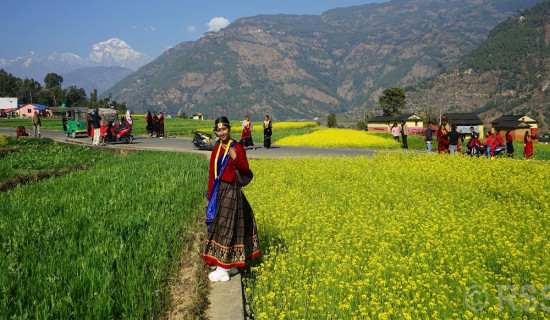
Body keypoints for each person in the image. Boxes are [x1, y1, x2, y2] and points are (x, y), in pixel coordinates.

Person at [202, 116, 261, 282]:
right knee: (226, 228)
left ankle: (222, 268)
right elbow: (211, 176)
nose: (222, 133)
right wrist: (210, 195)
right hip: (219, 192)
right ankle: (231, 265)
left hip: (232, 192)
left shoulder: (237, 148)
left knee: (226, 229)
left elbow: (245, 170)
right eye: (219, 130)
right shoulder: (216, 149)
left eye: (224, 129)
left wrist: (235, 157)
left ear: (229, 129)